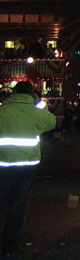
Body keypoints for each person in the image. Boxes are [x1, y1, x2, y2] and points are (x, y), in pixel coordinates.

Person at [0, 80, 56, 256]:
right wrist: (39, 102)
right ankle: (10, 244)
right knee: (18, 205)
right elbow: (51, 122)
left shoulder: (3, 110)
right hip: (27, 165)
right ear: (31, 93)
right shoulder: (35, 111)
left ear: (14, 93)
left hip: (3, 164)